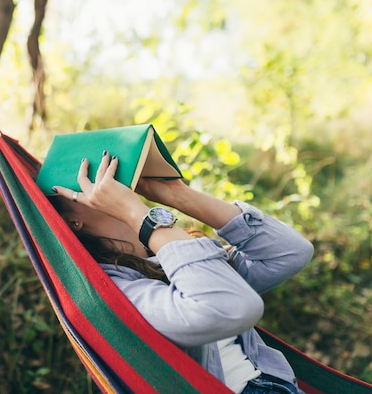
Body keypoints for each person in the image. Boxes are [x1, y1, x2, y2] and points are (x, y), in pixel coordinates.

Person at [49, 150, 314, 394]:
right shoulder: (114, 291)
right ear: (73, 221)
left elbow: (289, 253)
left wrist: (177, 194)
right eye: (86, 179)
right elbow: (230, 307)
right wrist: (136, 213)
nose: (105, 179)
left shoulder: (168, 254)